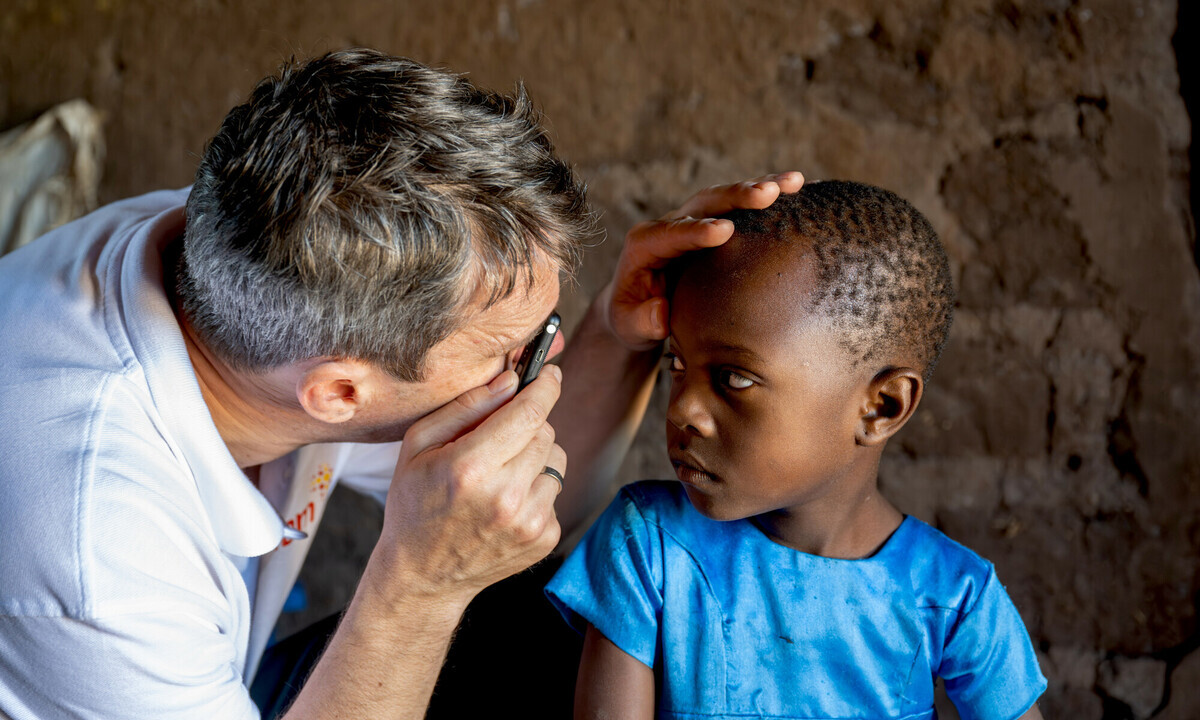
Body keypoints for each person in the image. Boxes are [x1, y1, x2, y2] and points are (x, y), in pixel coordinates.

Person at [0, 47, 804, 720]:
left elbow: (526, 497)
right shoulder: (96, 562)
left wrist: (616, 334)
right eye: (513, 354)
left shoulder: (259, 250)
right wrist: (417, 588)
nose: (533, 376)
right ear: (341, 395)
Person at [546, 181, 1048, 720]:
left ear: (881, 407)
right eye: (676, 365)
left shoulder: (954, 596)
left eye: (734, 378)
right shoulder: (650, 545)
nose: (682, 411)